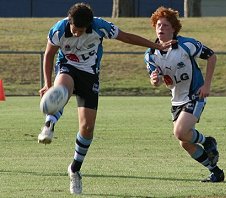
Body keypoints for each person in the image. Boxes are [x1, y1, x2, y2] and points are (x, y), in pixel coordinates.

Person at [37, 3, 173, 195]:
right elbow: (49, 54)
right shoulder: (59, 29)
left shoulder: (100, 26)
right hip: (67, 67)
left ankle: (74, 170)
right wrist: (47, 84)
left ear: (89, 25)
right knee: (61, 90)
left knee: (87, 128)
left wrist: (156, 45)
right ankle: (49, 125)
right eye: (75, 30)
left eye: (81, 31)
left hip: (90, 75)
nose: (77, 34)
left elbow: (126, 37)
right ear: (70, 22)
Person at [144, 6, 224, 182]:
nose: (161, 28)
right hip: (177, 100)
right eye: (158, 25)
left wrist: (207, 85)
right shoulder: (150, 54)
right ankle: (216, 171)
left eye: (165, 25)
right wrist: (155, 80)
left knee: (180, 132)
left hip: (195, 95)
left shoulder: (187, 45)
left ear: (173, 29)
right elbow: (154, 80)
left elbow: (211, 56)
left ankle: (207, 141)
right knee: (185, 142)